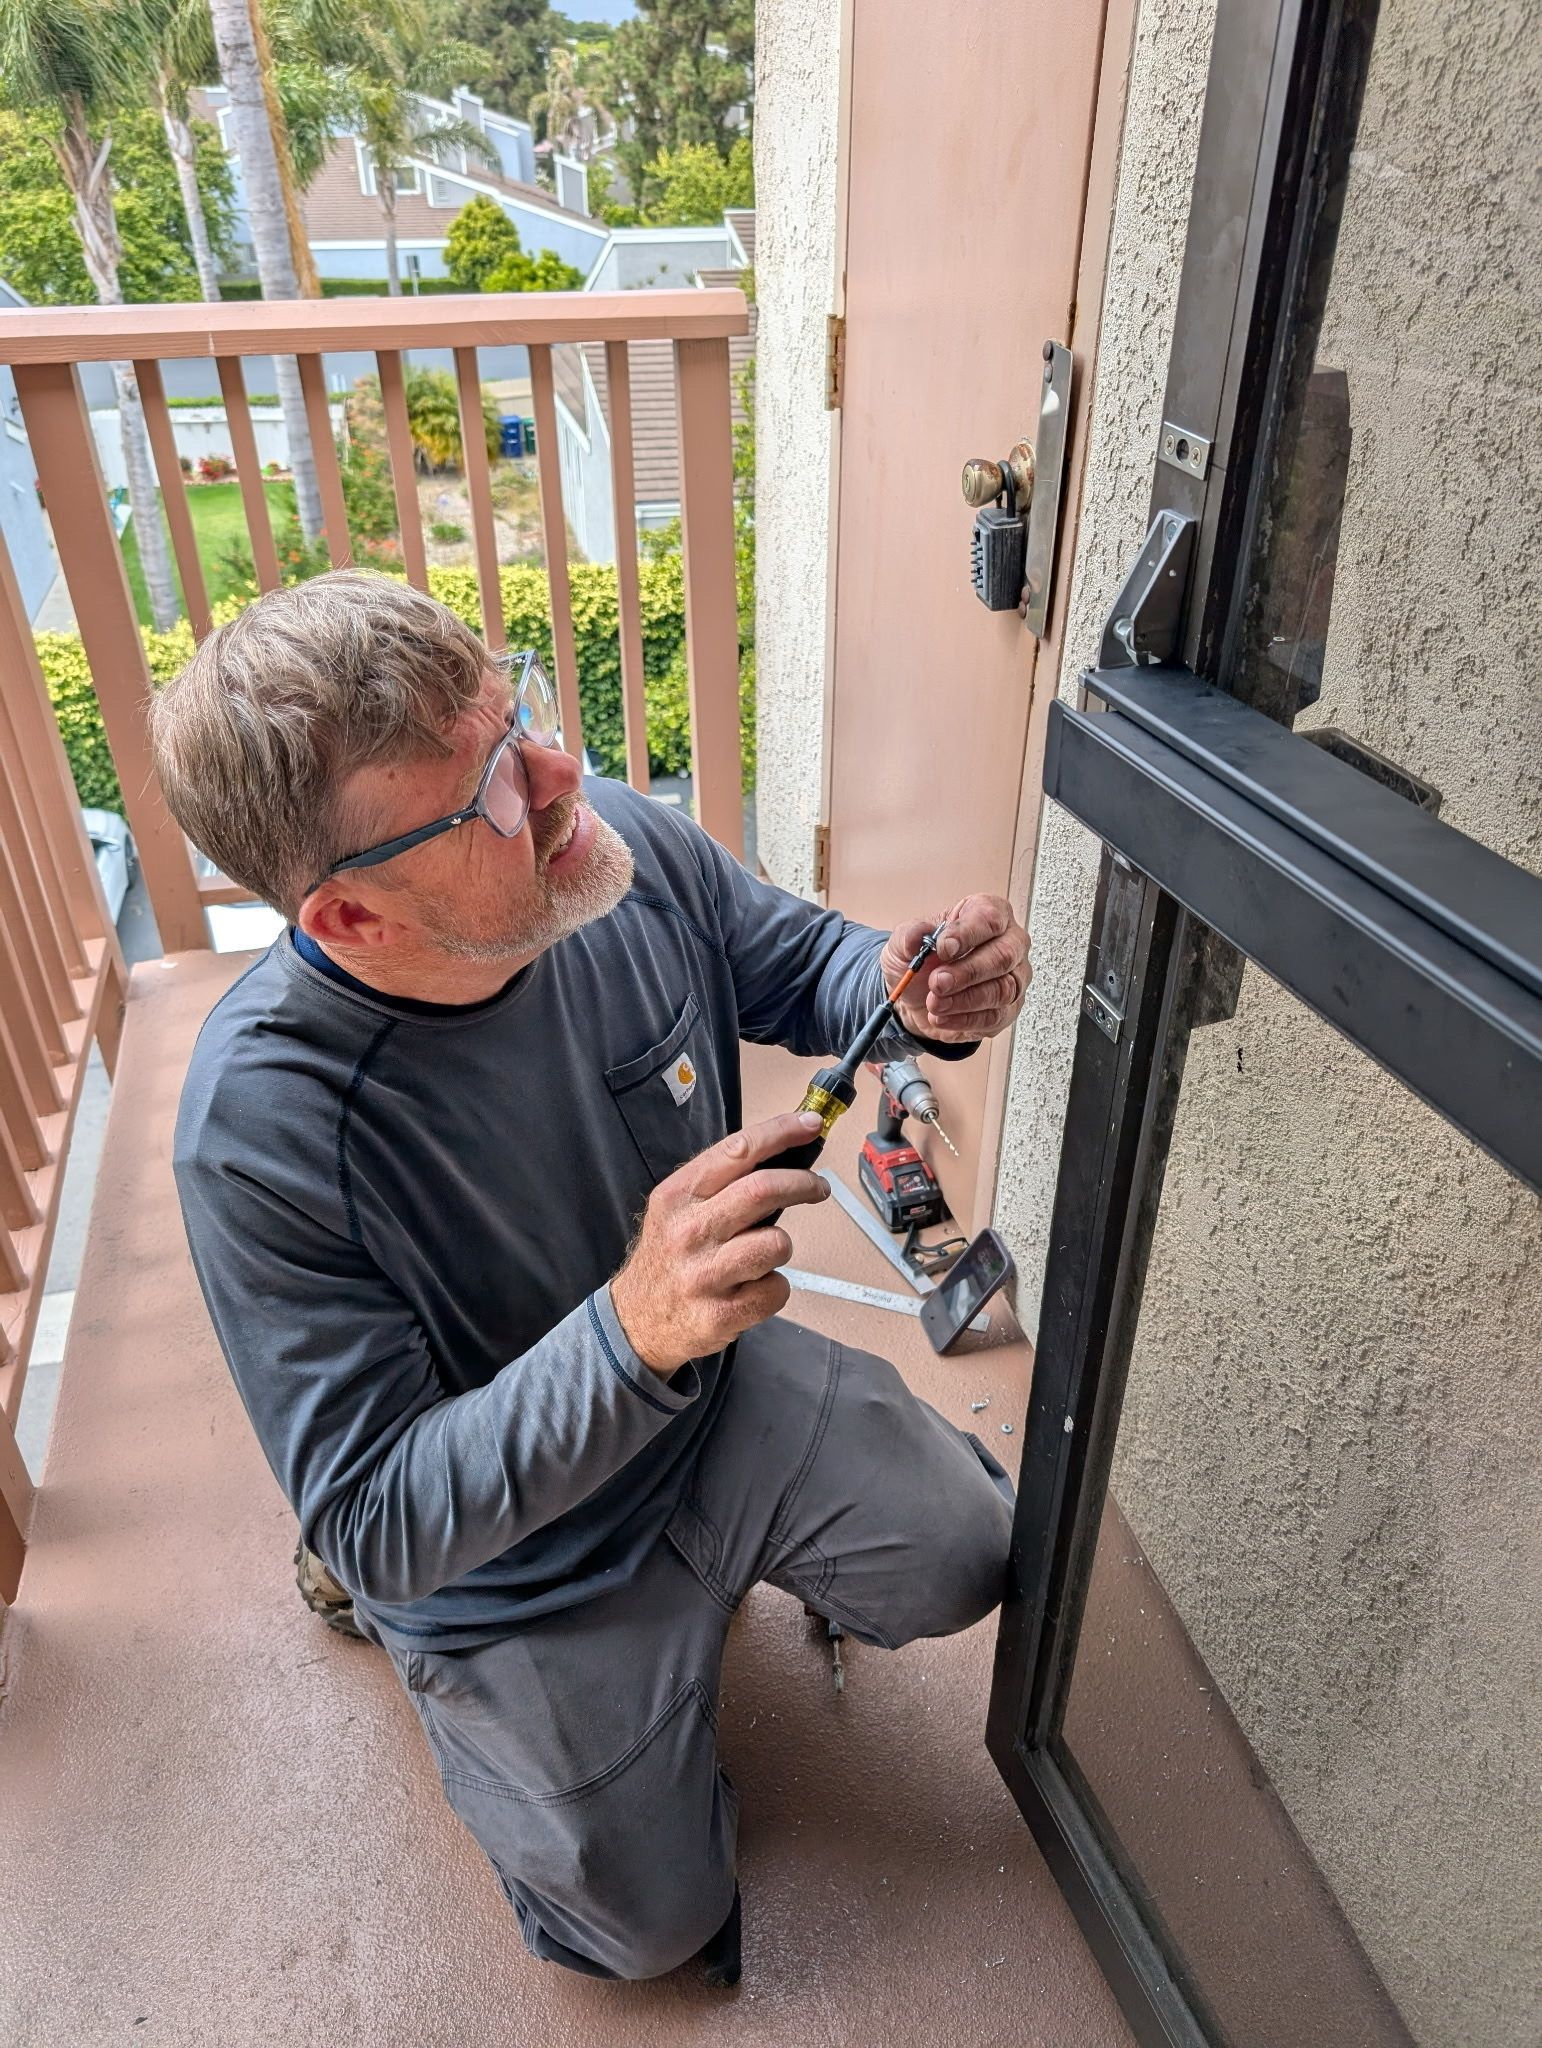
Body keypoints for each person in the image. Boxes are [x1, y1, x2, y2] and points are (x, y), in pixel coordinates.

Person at [151, 571, 1032, 1988]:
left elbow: (792, 960)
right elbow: (380, 1512)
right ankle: (490, 1689)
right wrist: (631, 1330)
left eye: (522, 719)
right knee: (646, 1933)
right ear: (350, 923)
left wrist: (901, 988)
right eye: (488, 792)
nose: (563, 777)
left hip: (712, 1399)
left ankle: (710, 1599)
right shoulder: (262, 1137)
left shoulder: (602, 848)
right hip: (514, 1568)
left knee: (974, 1553)